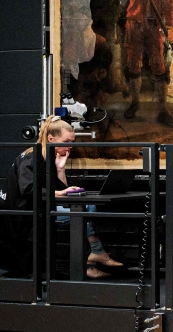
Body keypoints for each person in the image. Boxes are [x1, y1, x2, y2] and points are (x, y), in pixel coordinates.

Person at [0, 117, 125, 280]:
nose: (71, 145)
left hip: (43, 208)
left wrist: (60, 170)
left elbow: (58, 189)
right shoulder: (31, 158)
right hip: (26, 215)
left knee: (88, 208)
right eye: (67, 141)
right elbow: (30, 190)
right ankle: (92, 258)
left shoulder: (50, 158)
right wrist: (61, 193)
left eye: (72, 141)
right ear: (51, 139)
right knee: (83, 212)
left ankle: (94, 256)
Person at [117, 0, 173, 127]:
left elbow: (171, 5)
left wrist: (170, 27)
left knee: (159, 66)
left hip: (154, 27)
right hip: (134, 25)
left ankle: (162, 109)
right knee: (134, 64)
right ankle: (134, 103)